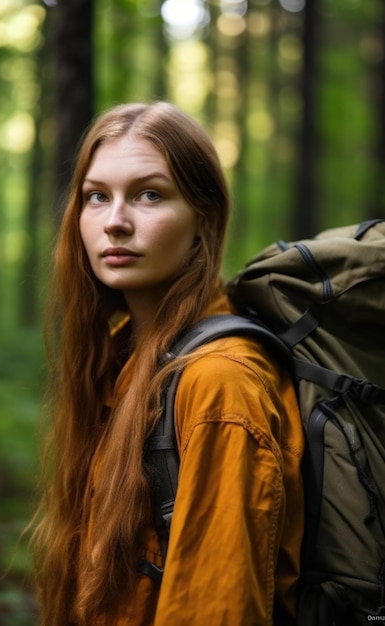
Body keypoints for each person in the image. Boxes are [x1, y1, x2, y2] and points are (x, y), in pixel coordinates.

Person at [31, 101, 304, 626]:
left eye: (149, 194)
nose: (114, 222)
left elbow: (216, 612)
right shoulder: (120, 352)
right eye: (96, 197)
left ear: (204, 216)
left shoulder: (218, 382)